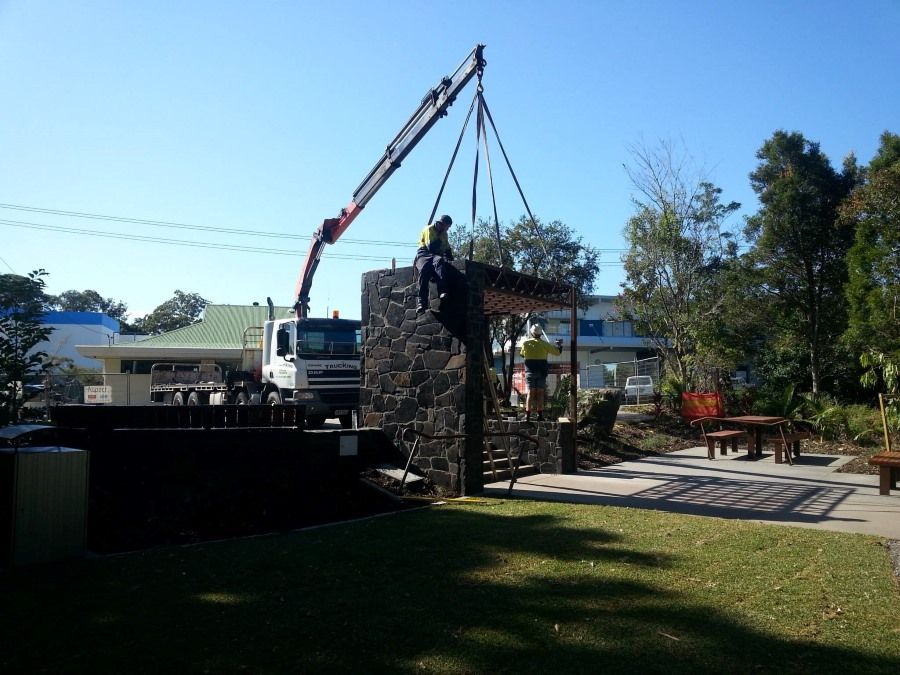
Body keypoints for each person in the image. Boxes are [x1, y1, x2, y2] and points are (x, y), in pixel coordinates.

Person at [519, 324, 563, 421]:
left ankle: (528, 416)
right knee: (540, 393)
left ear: (531, 333)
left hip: (529, 372)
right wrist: (559, 345)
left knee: (530, 393)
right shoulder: (544, 344)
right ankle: (540, 416)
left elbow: (522, 354)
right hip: (541, 372)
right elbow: (557, 353)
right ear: (540, 334)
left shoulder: (526, 343)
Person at [414, 214, 454, 314]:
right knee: (424, 269)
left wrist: (451, 259)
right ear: (443, 224)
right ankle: (421, 302)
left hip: (435, 255)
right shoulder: (429, 229)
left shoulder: (444, 234)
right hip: (424, 253)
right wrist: (440, 237)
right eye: (447, 227)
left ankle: (443, 291)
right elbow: (431, 247)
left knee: (440, 261)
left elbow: (447, 249)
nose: (447, 229)